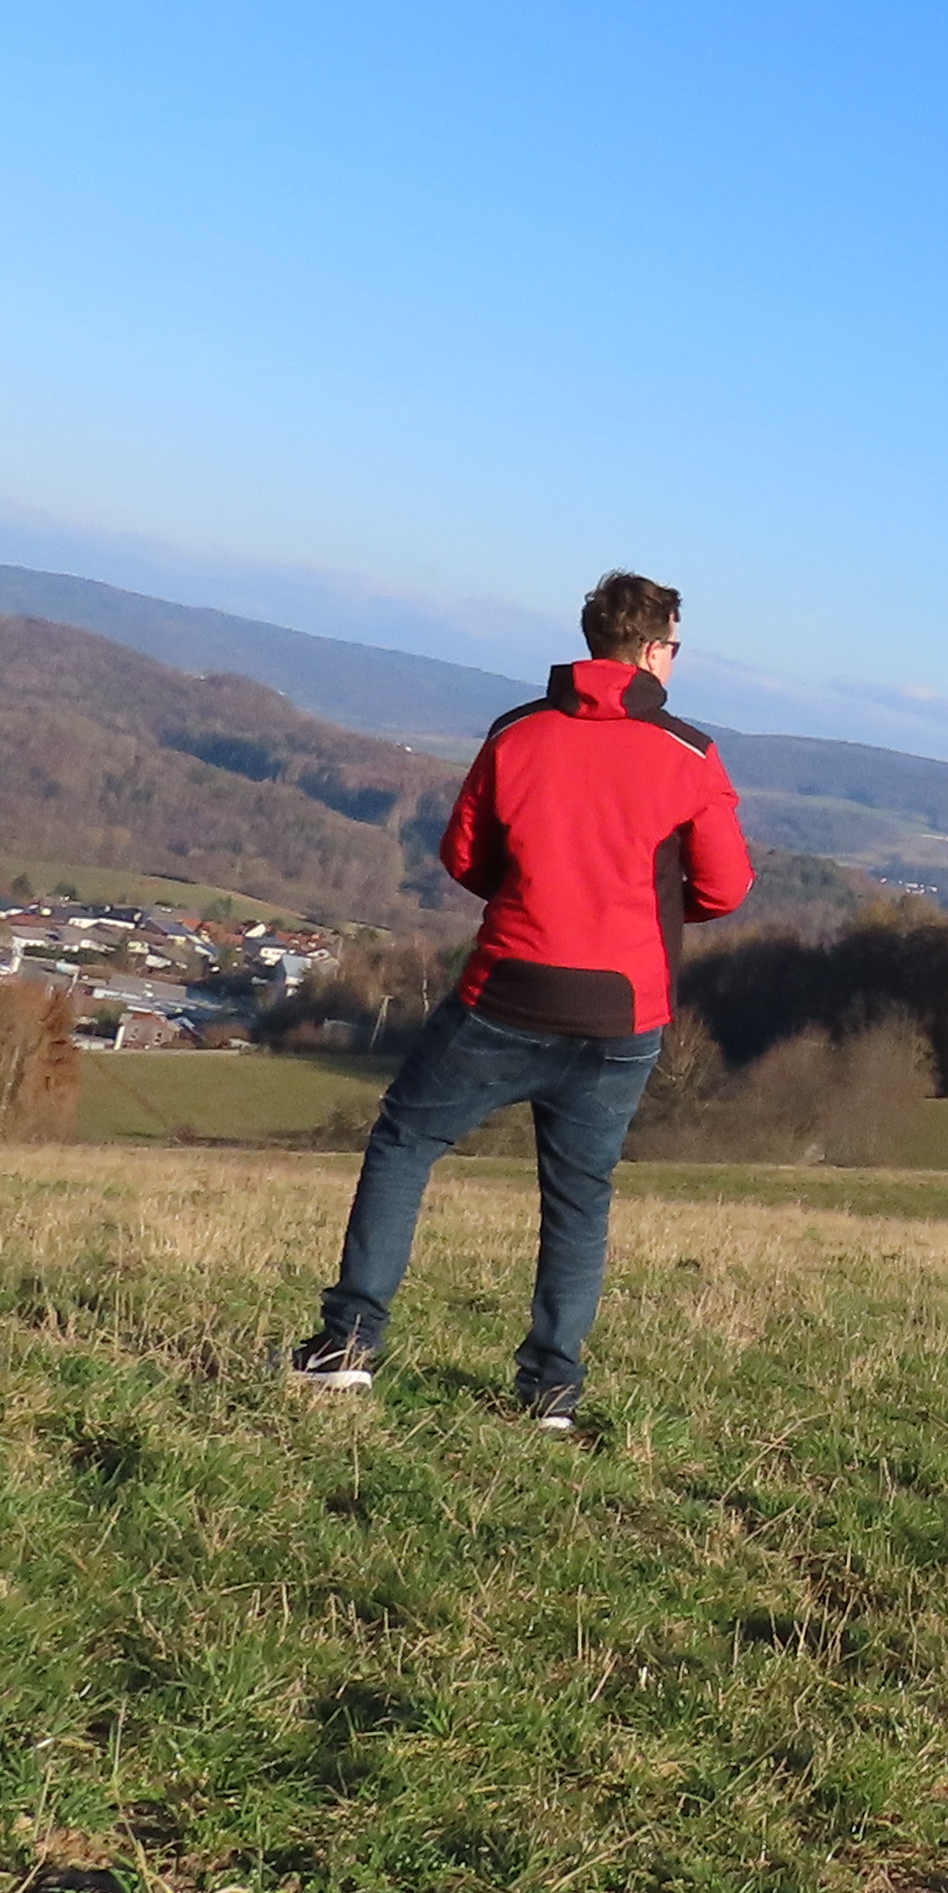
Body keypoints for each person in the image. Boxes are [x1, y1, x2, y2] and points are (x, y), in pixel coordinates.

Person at [288, 569, 751, 1432]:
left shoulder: (517, 732)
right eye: (675, 647)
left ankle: (347, 1347)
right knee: (579, 1195)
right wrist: (641, 905)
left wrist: (539, 890)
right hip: (623, 1011)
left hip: (507, 990)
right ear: (654, 652)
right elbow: (725, 888)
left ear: (593, 642)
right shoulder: (690, 755)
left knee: (405, 1143)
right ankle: (552, 1393)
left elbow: (465, 856)